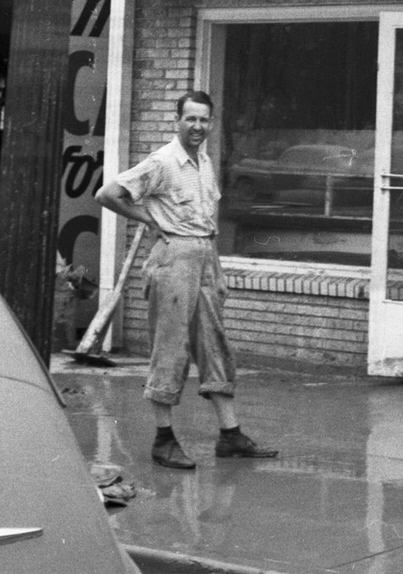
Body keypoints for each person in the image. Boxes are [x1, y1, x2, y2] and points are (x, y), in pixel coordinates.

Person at [96, 91, 278, 470]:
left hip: (205, 256)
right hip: (174, 258)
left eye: (203, 120)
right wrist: (149, 219)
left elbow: (207, 222)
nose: (197, 126)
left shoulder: (205, 162)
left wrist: (217, 271)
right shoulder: (162, 162)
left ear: (211, 123)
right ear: (177, 120)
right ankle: (163, 441)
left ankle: (230, 435)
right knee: (171, 347)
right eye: (190, 119)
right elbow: (108, 194)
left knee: (214, 344)